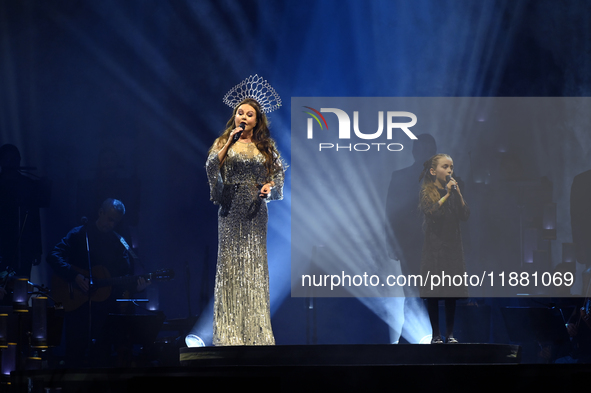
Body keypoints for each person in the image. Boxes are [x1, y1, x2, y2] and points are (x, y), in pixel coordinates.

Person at [205, 96, 285, 346]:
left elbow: (278, 176)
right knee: (231, 268)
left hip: (255, 211)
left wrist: (268, 188)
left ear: (257, 120)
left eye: (250, 114)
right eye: (241, 113)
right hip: (230, 210)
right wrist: (229, 142)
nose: (244, 117)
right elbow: (210, 167)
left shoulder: (266, 146)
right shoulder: (224, 142)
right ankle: (230, 335)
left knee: (253, 268)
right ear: (235, 116)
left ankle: (255, 333)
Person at [46, 198, 149, 365]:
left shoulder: (118, 243)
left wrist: (138, 287)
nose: (110, 224)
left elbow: (124, 277)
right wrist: (74, 276)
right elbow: (52, 256)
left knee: (101, 359)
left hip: (103, 313)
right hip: (77, 309)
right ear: (100, 212)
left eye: (114, 222)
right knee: (74, 357)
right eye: (108, 218)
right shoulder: (79, 233)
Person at [418, 154, 469, 343]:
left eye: (451, 167)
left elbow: (465, 214)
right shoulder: (427, 191)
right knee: (433, 293)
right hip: (434, 249)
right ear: (433, 171)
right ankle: (436, 335)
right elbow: (432, 213)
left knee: (451, 293)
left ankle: (450, 334)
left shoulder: (455, 191)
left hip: (453, 249)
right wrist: (447, 194)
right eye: (445, 167)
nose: (449, 171)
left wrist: (458, 193)